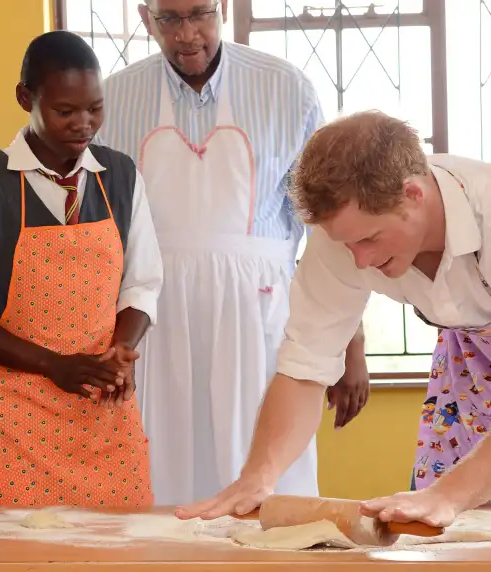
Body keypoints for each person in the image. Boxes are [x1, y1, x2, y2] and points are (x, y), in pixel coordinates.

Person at [174, 110, 491, 524]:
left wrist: (449, 494)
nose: (358, 261)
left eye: (370, 240)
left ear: (413, 194)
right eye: (345, 243)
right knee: (455, 534)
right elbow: (304, 368)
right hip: (477, 359)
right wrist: (258, 476)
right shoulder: (344, 238)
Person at [97, 0, 369, 506]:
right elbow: (101, 232)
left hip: (260, 317)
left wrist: (351, 345)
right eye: (169, 19)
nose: (187, 34)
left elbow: (329, 226)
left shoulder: (287, 89)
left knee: (265, 468)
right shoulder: (113, 99)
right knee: (162, 471)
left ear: (223, 6)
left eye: (200, 13)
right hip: (156, 323)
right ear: (143, 16)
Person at [0, 30, 163, 508]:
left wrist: (120, 351)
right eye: (65, 111)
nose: (84, 124)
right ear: (25, 99)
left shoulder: (120, 178)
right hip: (12, 426)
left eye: (95, 108)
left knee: (120, 554)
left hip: (104, 417)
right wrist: (54, 365)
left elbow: (142, 283)